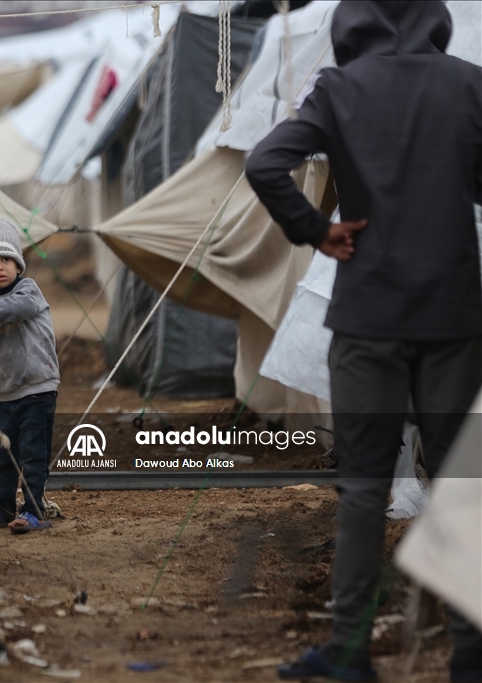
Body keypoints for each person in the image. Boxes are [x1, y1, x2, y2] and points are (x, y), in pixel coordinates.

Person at [245, 2, 482, 681]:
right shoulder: (470, 84)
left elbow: (266, 163)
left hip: (369, 314)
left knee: (362, 486)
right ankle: (469, 651)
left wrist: (316, 230)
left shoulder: (340, 90)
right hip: (454, 316)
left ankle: (350, 651)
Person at [0, 218, 60, 534]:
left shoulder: (28, 291)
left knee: (33, 455)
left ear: (18, 265)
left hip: (37, 388)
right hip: (8, 392)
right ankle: (3, 509)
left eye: (6, 259)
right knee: (6, 457)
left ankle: (34, 510)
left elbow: (15, 309)